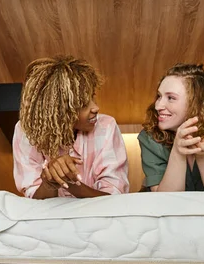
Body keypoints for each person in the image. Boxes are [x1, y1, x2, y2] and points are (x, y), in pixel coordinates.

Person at [13, 55, 129, 199]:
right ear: (59, 110)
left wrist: (70, 181)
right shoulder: (25, 131)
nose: (96, 108)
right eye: (83, 104)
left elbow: (115, 199)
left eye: (92, 97)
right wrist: (50, 182)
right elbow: (34, 202)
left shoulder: (106, 126)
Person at [138, 63, 204, 192]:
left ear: (198, 104)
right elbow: (166, 202)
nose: (158, 105)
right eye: (159, 96)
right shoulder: (149, 137)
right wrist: (178, 152)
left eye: (171, 98)